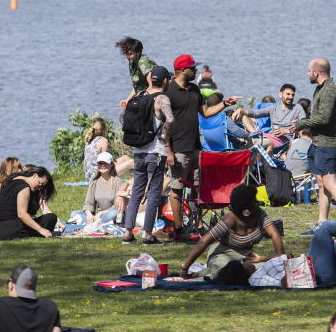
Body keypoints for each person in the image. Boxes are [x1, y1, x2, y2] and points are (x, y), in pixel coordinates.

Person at [165, 54, 240, 239]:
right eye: (192, 68)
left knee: (198, 186)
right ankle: (178, 229)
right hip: (178, 148)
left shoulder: (194, 89)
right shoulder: (169, 92)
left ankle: (198, 224)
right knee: (177, 188)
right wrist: (168, 150)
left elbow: (205, 112)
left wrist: (224, 104)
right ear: (183, 70)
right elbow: (164, 124)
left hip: (195, 147)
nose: (195, 70)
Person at [277, 58, 336, 225]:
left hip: (328, 143)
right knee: (321, 183)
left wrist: (300, 123)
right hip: (319, 142)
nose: (307, 74)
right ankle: (322, 223)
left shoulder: (329, 90)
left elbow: (324, 118)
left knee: (329, 181)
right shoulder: (321, 89)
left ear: (316, 72)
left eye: (308, 71)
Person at [180, 184, 284, 282]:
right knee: (228, 273)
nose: (257, 202)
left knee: (264, 270)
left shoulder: (259, 213)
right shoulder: (230, 220)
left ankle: (208, 271)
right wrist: (185, 268)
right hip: (222, 253)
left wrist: (280, 257)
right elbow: (204, 241)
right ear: (245, 207)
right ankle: (210, 271)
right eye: (254, 200)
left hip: (246, 256)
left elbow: (274, 234)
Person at [123, 65, 174, 245]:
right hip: (156, 152)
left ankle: (128, 232)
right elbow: (171, 119)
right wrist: (164, 137)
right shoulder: (161, 98)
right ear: (166, 81)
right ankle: (147, 234)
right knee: (153, 193)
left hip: (138, 151)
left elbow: (124, 118)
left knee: (137, 191)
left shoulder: (139, 96)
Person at [0, 166, 58, 241]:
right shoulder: (24, 187)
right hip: (11, 230)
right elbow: (22, 214)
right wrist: (41, 230)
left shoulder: (10, 180)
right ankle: (41, 233)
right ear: (34, 175)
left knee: (48, 218)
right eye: (40, 184)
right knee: (51, 218)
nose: (39, 188)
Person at [236, 83, 305, 146]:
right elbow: (256, 113)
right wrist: (241, 110)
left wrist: (287, 131)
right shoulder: (273, 108)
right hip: (269, 136)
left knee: (262, 142)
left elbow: (305, 124)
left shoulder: (298, 108)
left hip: (285, 141)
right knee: (244, 117)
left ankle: (256, 141)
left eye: (293, 95)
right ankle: (255, 136)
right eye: (288, 94)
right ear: (280, 94)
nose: (291, 97)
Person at [69, 152, 124, 228]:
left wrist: (101, 213)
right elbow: (88, 204)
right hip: (97, 216)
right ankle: (94, 222)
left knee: (113, 214)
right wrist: (89, 215)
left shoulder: (117, 182)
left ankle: (94, 223)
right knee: (74, 213)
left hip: (110, 213)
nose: (102, 166)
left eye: (105, 163)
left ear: (111, 165)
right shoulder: (94, 182)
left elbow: (117, 206)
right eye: (100, 163)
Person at [115, 36, 157, 107]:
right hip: (144, 97)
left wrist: (139, 100)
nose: (128, 57)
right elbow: (138, 87)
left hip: (153, 97)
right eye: (126, 54)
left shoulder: (143, 62)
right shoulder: (133, 62)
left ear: (138, 52)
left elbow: (152, 86)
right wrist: (127, 100)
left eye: (130, 54)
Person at [82, 117, 109, 182]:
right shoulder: (103, 140)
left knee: (125, 158)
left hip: (89, 176)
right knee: (129, 162)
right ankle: (137, 184)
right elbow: (105, 163)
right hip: (98, 177)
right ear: (104, 129)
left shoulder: (89, 139)